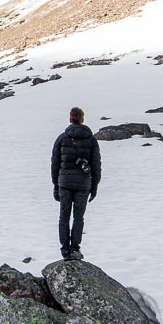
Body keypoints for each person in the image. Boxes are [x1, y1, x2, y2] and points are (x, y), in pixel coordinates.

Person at [51, 106, 101, 260]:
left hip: (64, 183)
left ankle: (65, 251)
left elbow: (55, 163)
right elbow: (96, 165)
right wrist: (94, 186)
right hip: (83, 184)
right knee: (79, 218)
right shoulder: (91, 140)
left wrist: (56, 184)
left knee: (63, 217)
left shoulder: (62, 138)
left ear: (70, 119)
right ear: (82, 119)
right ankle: (75, 248)